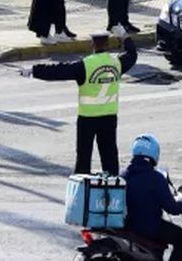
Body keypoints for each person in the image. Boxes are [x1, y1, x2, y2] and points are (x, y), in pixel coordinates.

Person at [24, 31, 137, 176]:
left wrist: (34, 71)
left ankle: (83, 193)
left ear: (92, 44)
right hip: (109, 117)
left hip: (87, 119)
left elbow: (59, 71)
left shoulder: (85, 65)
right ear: (108, 44)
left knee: (83, 160)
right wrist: (125, 37)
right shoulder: (116, 63)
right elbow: (132, 55)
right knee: (109, 158)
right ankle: (112, 192)